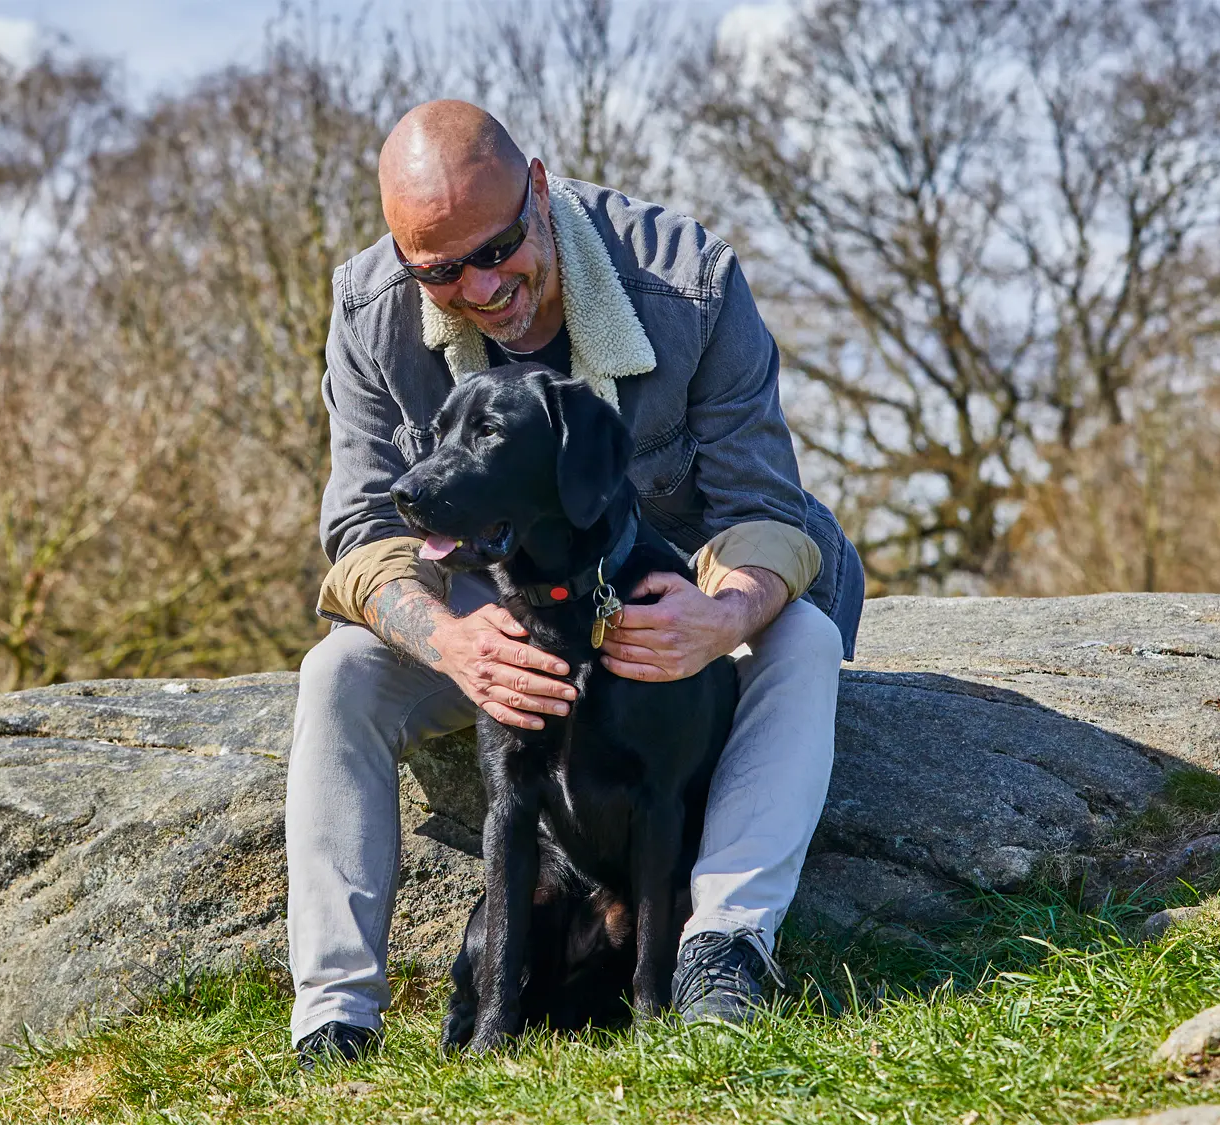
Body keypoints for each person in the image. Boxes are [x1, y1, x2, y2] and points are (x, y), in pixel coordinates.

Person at [288, 100, 865, 1069]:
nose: (479, 285)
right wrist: (449, 641)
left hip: (678, 602)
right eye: (438, 270)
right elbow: (357, 531)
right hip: (495, 612)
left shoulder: (686, 278)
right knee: (337, 671)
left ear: (540, 189)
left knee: (799, 638)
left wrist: (720, 614)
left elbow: (766, 505)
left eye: (499, 246)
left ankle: (722, 952)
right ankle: (334, 1017)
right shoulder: (366, 308)